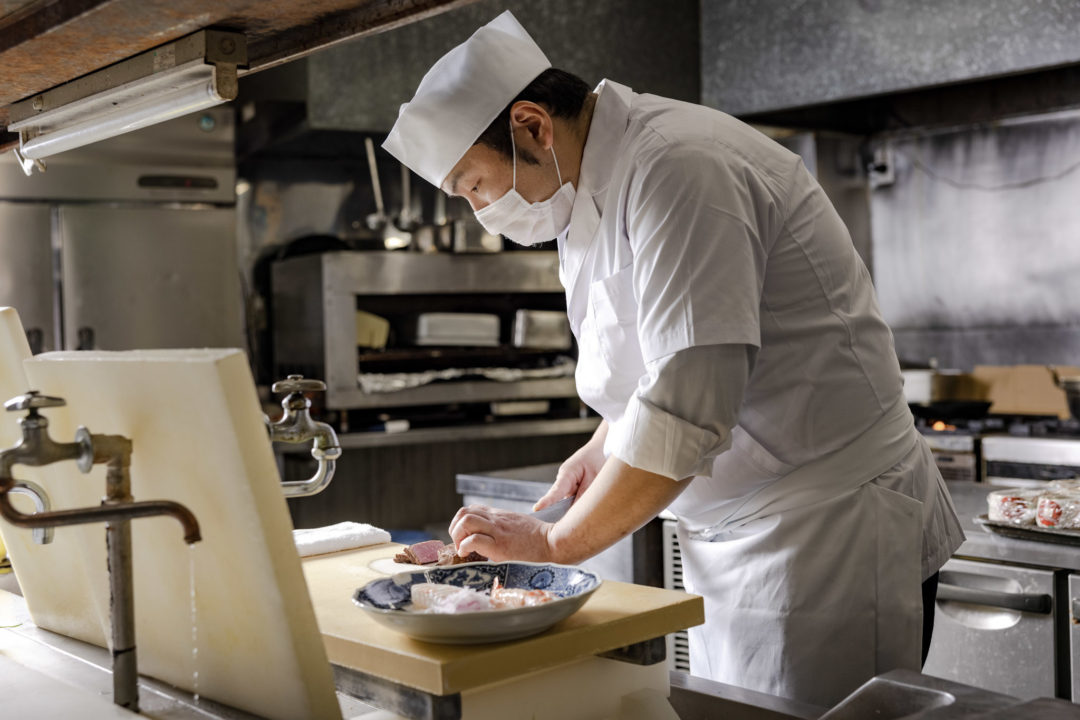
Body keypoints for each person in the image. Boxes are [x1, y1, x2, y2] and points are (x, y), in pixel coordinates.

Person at [382, 10, 965, 708]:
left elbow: (689, 404)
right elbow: (652, 364)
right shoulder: (586, 186)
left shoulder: (679, 169)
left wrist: (556, 544)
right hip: (739, 534)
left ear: (533, 125)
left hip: (828, 531)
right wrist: (604, 445)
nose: (482, 210)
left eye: (474, 186)